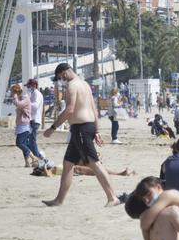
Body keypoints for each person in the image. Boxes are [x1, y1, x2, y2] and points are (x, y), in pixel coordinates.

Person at [41, 63, 119, 207]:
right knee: (68, 163)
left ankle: (112, 197)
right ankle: (59, 200)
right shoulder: (85, 85)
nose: (61, 80)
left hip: (81, 129)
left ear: (64, 73)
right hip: (84, 128)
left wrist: (52, 128)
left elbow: (69, 110)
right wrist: (96, 130)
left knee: (94, 163)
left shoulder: (72, 86)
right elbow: (93, 109)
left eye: (60, 77)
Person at [13, 85, 45, 168]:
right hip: (21, 124)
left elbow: (18, 104)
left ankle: (35, 157)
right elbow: (16, 104)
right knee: (25, 143)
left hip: (25, 124)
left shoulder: (25, 98)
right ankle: (27, 162)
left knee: (20, 143)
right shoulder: (22, 98)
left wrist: (15, 96)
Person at [25, 79, 46, 159]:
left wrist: (27, 102)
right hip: (33, 119)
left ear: (34, 86)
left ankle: (38, 156)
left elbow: (36, 105)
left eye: (29, 86)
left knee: (32, 140)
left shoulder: (36, 94)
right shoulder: (34, 93)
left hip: (35, 119)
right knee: (31, 140)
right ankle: (37, 156)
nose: (28, 88)